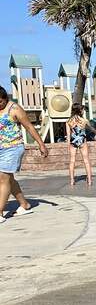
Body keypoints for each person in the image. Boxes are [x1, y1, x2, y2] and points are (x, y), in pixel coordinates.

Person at [0, 86, 48, 224]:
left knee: (3, 178)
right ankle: (24, 204)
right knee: (9, 179)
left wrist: (41, 144)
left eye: (0, 102)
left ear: (5, 98)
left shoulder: (14, 108)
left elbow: (29, 127)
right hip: (1, 148)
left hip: (13, 148)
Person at [66, 103, 94, 189]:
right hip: (82, 141)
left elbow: (68, 135)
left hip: (73, 141)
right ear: (79, 110)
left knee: (72, 161)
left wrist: (68, 145)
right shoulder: (84, 120)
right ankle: (89, 180)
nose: (83, 111)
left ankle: (72, 180)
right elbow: (91, 129)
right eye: (82, 109)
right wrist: (95, 132)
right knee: (86, 161)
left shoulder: (69, 121)